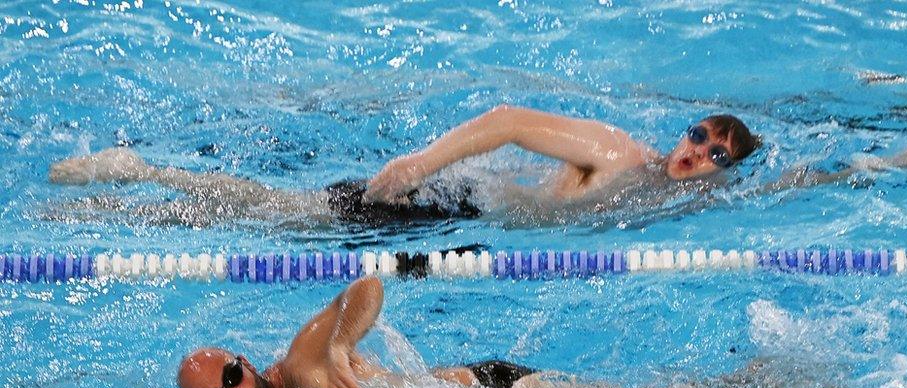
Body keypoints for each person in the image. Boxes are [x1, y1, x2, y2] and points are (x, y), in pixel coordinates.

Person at [176, 276, 808, 388]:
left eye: (232, 376)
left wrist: (342, 340)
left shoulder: (305, 361)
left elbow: (367, 286)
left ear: (244, 358)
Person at [48, 106, 764, 226]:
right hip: (442, 203)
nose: (694, 152)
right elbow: (508, 119)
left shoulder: (676, 200)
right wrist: (418, 166)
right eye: (698, 135)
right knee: (280, 216)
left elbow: (800, 184)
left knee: (278, 216)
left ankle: (134, 195)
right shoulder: (618, 153)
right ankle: (137, 181)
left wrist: (879, 161)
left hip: (453, 218)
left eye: (714, 156)